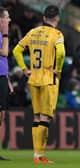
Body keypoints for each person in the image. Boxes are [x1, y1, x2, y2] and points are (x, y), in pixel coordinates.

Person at [13, 5, 65, 164]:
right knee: (45, 117)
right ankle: (39, 154)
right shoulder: (57, 34)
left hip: (33, 78)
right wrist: (58, 70)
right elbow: (61, 53)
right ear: (57, 18)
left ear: (44, 18)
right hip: (49, 79)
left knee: (36, 117)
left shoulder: (33, 32)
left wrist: (24, 68)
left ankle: (37, 155)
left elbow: (16, 50)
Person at [0, 6, 11, 161]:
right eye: (6, 17)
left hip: (2, 76)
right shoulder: (3, 35)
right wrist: (7, 34)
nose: (9, 20)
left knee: (2, 114)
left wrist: (7, 80)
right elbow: (4, 52)